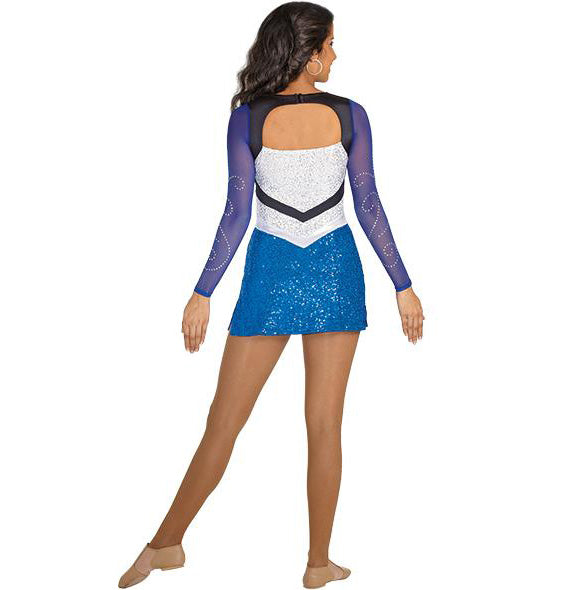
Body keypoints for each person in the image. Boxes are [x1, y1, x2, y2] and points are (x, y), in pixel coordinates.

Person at [118, 2, 424, 588]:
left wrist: (203, 292)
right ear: (308, 55)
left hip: (275, 271)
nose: (335, 54)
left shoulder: (248, 118)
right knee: (321, 426)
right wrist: (402, 286)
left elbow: (236, 213)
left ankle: (167, 546)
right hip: (330, 271)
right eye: (330, 45)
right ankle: (311, 563)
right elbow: (368, 205)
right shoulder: (350, 114)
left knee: (224, 425)